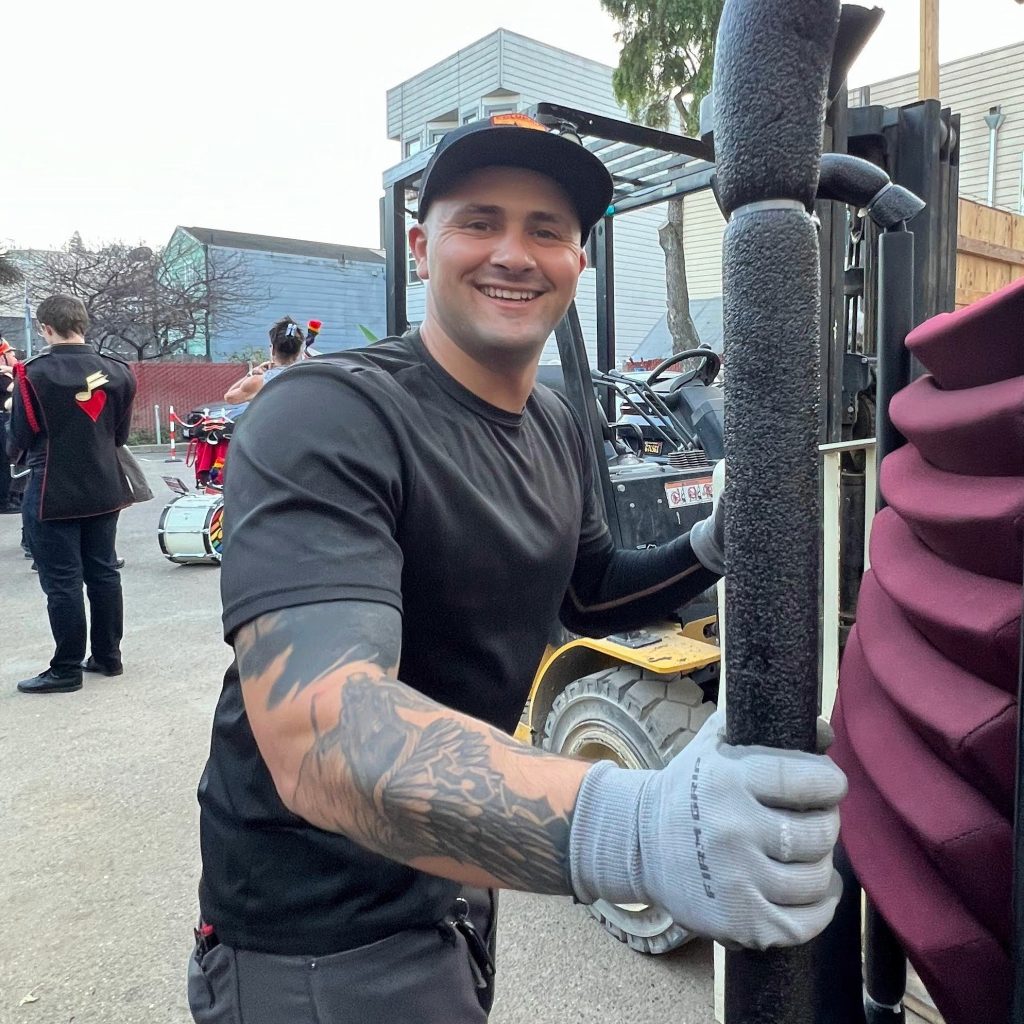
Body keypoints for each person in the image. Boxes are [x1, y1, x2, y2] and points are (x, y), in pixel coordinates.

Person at [190, 116, 846, 1022]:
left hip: (455, 882)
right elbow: (323, 740)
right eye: (480, 222)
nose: (514, 252)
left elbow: (586, 590)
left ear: (580, 260)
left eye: (547, 230)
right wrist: (639, 828)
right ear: (422, 248)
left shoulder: (556, 420)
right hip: (322, 928)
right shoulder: (328, 416)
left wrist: (714, 545)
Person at [8, 295, 136, 694]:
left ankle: (65, 668)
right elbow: (121, 436)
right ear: (84, 323)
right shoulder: (119, 371)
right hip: (105, 485)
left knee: (62, 581)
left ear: (45, 328)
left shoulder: (31, 374)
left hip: (52, 488)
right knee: (103, 571)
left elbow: (22, 438)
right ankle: (108, 656)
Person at [222, 316, 305, 405]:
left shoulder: (258, 382)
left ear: (272, 350)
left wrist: (250, 374)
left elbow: (229, 397)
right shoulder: (308, 380)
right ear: (299, 352)